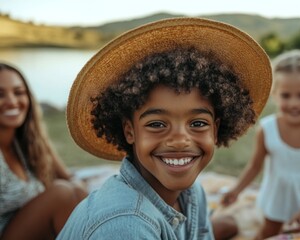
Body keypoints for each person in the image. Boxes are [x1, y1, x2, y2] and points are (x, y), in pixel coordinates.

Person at [56, 17, 272, 240]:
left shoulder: (192, 194)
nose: (179, 140)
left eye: (198, 123)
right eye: (157, 124)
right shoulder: (125, 226)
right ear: (130, 131)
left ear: (215, 130)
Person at [221, 49, 300, 239]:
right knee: (267, 234)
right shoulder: (267, 128)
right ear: (275, 95)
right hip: (279, 198)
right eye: (286, 96)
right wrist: (236, 190)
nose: (294, 103)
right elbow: (255, 166)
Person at [0, 62, 87, 240]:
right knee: (62, 193)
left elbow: (69, 178)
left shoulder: (31, 142)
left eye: (18, 92)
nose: (12, 101)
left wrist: (83, 194)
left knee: (75, 192)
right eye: (0, 95)